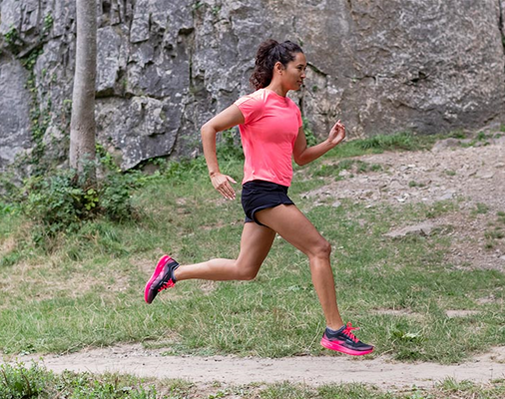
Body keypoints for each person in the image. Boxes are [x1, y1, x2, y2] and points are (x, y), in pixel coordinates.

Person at [144, 39, 373, 356]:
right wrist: (215, 173)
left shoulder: (292, 109)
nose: (304, 74)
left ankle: (174, 271)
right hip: (260, 191)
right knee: (319, 248)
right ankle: (335, 331)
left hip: (275, 191)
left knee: (244, 269)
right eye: (300, 68)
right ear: (279, 68)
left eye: (305, 69)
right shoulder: (256, 102)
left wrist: (331, 143)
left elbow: (302, 156)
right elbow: (209, 128)